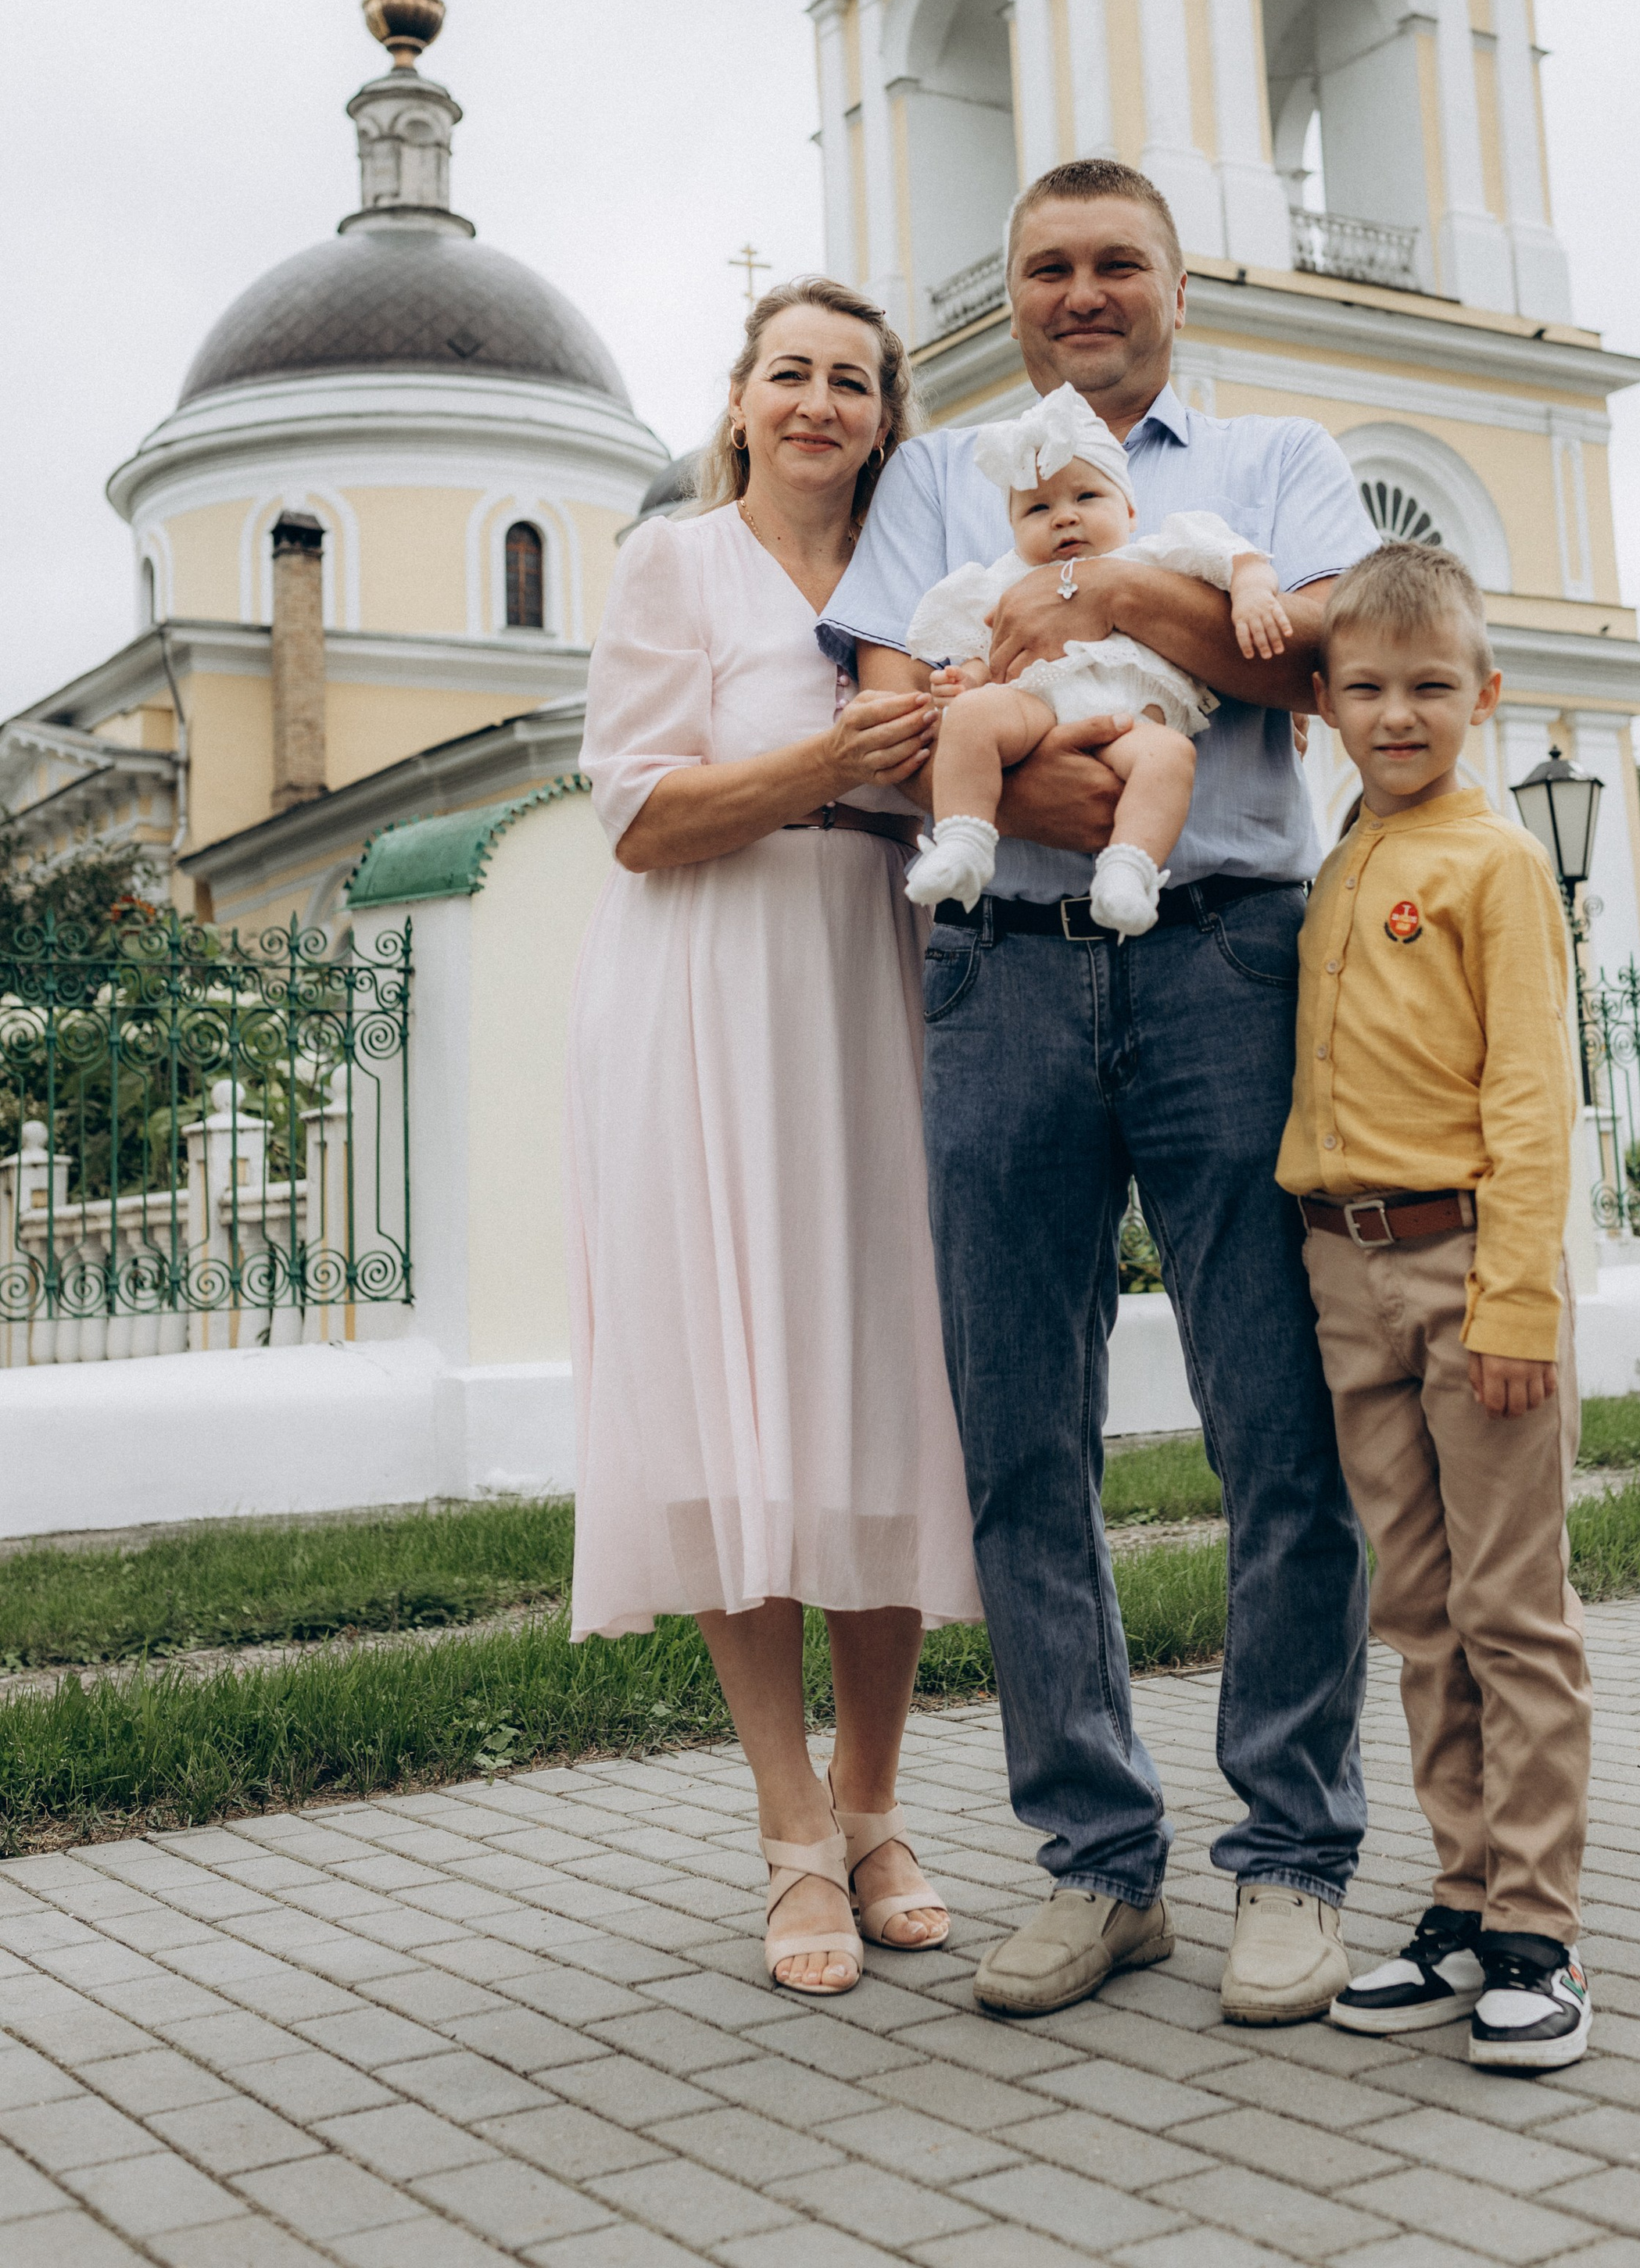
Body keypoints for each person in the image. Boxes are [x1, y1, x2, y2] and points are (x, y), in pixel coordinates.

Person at [823, 157, 1379, 2027]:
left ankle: (1290, 1858)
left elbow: (1288, 667)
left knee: (1273, 1417)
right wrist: (1059, 744)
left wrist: (1106, 588)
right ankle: (1095, 1864)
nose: (1080, 289)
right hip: (1004, 973)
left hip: (1226, 949)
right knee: (1019, 1426)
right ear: (1011, 289)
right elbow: (904, 709)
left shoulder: (1284, 459)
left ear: (1173, 283)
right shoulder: (932, 470)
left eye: (1113, 260)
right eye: (1046, 264)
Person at [565, 276, 983, 2000]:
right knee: (738, 1393)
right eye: (787, 375)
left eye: (852, 383)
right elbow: (639, 815)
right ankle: (789, 1833)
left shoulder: (916, 574)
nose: (819, 404)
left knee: (882, 1389)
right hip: (713, 996)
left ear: (887, 416)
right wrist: (827, 765)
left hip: (874, 978)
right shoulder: (673, 563)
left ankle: (881, 1809)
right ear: (738, 401)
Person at [1282, 539, 1593, 2067]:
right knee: (1413, 1611)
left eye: (1424, 687)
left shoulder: (1494, 863)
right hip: (1347, 1272)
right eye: (1362, 688)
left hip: (1470, 1276)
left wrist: (1518, 1300)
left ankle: (1536, 1930)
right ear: (1322, 704)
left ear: (1481, 693)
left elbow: (1532, 1096)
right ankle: (1459, 1902)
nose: (1393, 715)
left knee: (1507, 1613)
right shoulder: (1340, 855)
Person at [904, 381, 1294, 935]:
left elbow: (1238, 558)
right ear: (1014, 530)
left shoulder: (1155, 556)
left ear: (1130, 509)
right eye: (1038, 508)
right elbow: (982, 652)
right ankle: (964, 838)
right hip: (1035, 709)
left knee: (1170, 760)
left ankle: (1128, 871)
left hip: (1134, 721)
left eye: (1086, 497)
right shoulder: (1005, 579)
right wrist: (964, 680)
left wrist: (1253, 592)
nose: (1064, 517)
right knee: (970, 718)